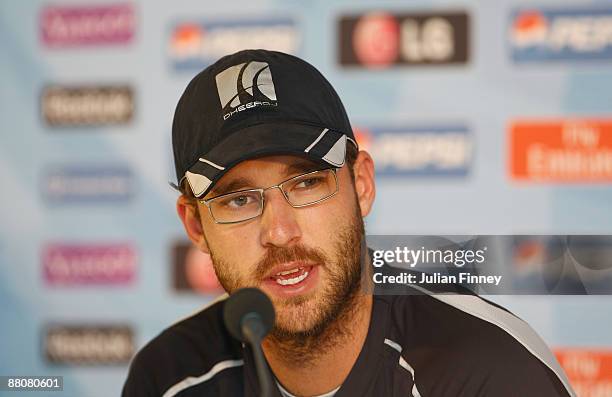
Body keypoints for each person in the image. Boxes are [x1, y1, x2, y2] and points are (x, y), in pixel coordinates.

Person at [122, 49, 575, 397]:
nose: (279, 232)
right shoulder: (166, 377)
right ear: (196, 226)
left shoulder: (490, 373)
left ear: (361, 185)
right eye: (238, 200)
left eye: (305, 183)